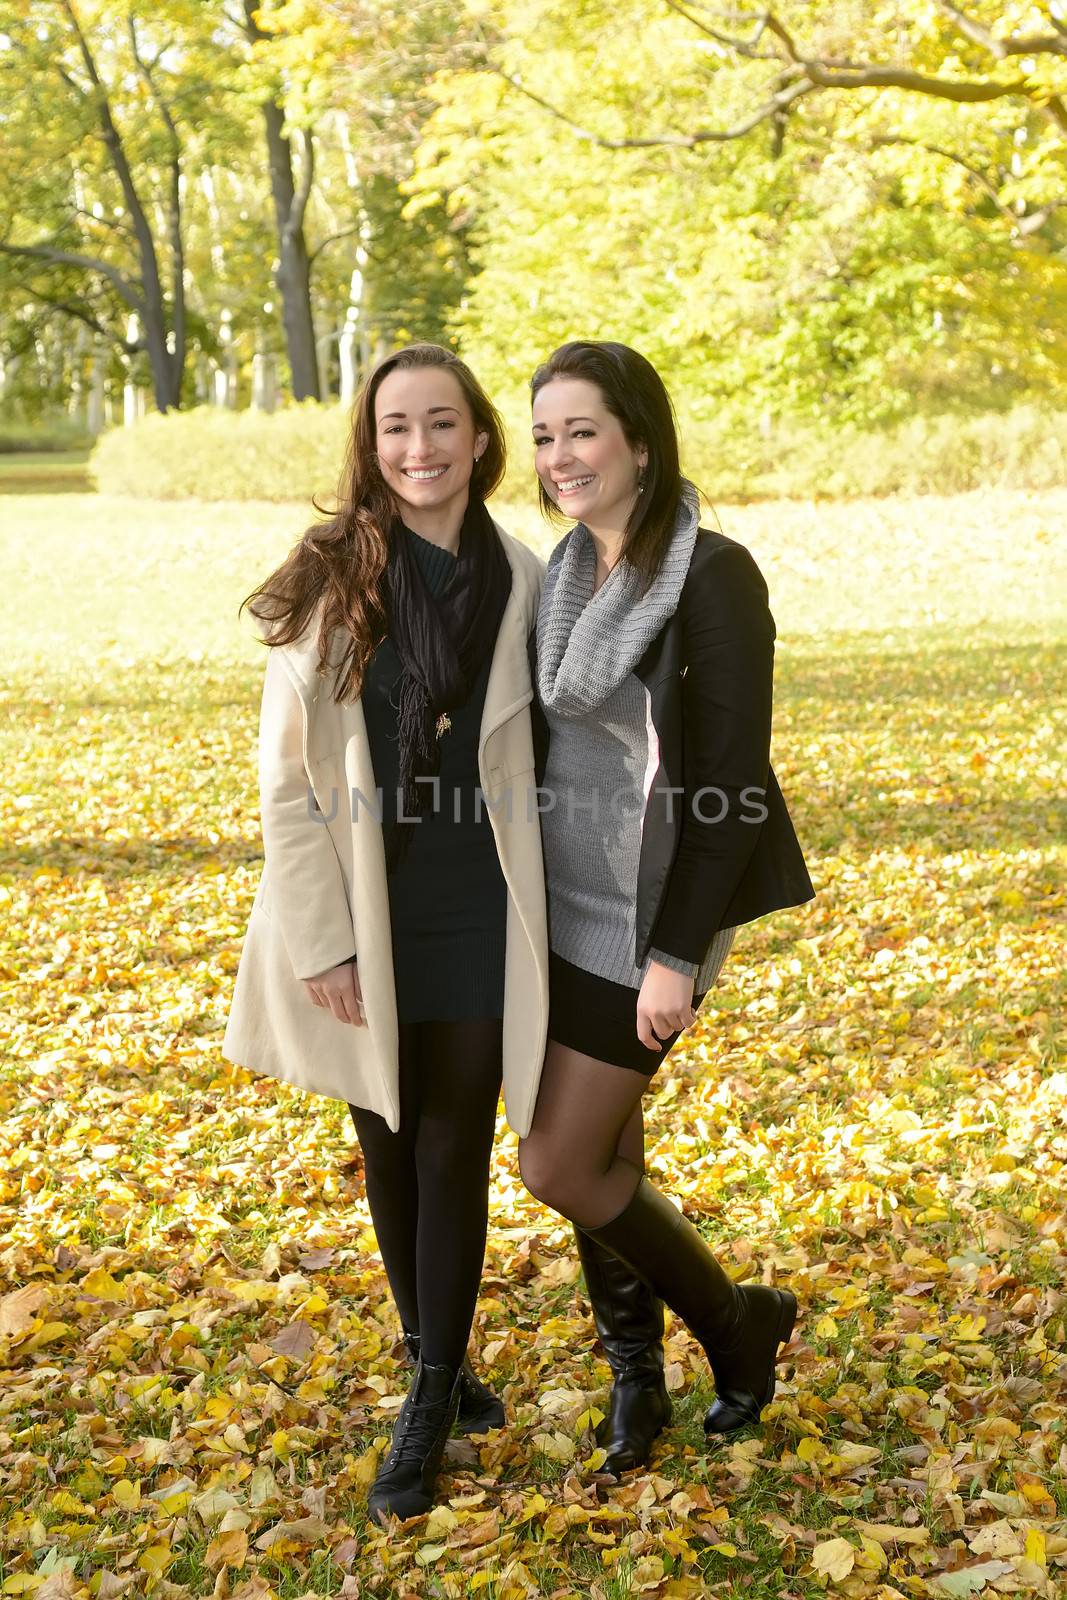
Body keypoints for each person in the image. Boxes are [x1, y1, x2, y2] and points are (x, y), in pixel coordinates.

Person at [222, 344, 548, 1523]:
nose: (420, 447)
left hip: (479, 894)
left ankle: (422, 1403)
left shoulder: (525, 574)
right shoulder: (331, 575)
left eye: (442, 423)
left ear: (477, 439)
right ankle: (443, 1361)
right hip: (364, 900)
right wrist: (323, 943)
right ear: (371, 442)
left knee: (455, 1142)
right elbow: (286, 783)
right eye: (397, 426)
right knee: (389, 1136)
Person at [518, 340, 816, 1477]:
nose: (559, 456)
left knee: (557, 1162)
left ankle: (735, 1322)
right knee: (605, 1148)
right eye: (544, 435)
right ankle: (632, 1382)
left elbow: (732, 781)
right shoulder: (559, 575)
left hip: (649, 918)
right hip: (558, 904)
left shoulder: (712, 574)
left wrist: (675, 953)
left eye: (581, 431)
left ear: (639, 440)